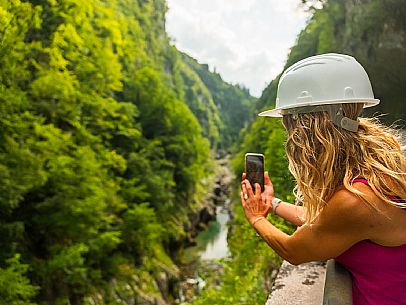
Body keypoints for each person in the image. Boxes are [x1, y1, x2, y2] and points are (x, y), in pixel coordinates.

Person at [240, 53, 406, 305]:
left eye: (290, 125)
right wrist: (272, 204)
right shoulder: (376, 167)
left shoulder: (358, 200)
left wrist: (256, 217)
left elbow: (293, 250)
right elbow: (324, 221)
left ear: (308, 126)